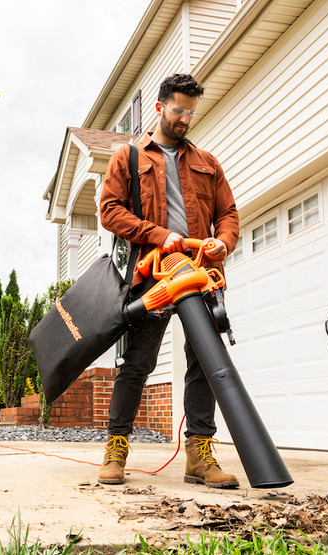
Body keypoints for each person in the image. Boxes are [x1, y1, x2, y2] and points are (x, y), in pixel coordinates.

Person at [98, 73, 240, 488]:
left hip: (199, 273)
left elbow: (228, 213)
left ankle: (198, 454)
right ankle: (116, 447)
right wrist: (160, 235)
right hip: (154, 272)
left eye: (192, 112)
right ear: (160, 107)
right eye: (179, 110)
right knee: (137, 363)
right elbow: (109, 211)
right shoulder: (128, 156)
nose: (186, 119)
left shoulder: (207, 163)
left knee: (205, 364)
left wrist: (223, 244)